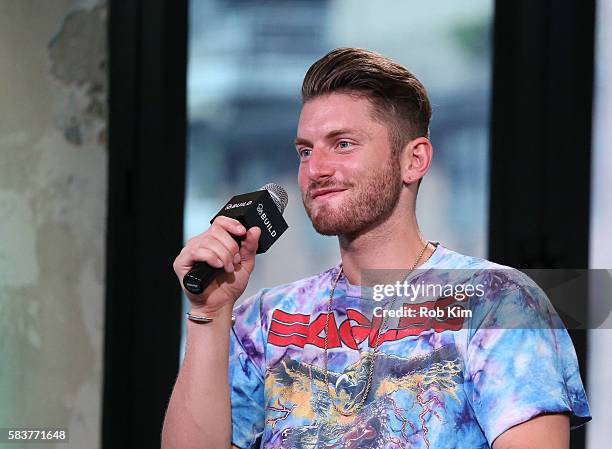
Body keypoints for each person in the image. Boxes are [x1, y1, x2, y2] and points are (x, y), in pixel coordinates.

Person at [162, 48, 591, 449]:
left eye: (343, 144)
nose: (316, 169)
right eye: (305, 150)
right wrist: (210, 316)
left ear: (414, 160)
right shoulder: (264, 318)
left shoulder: (497, 302)